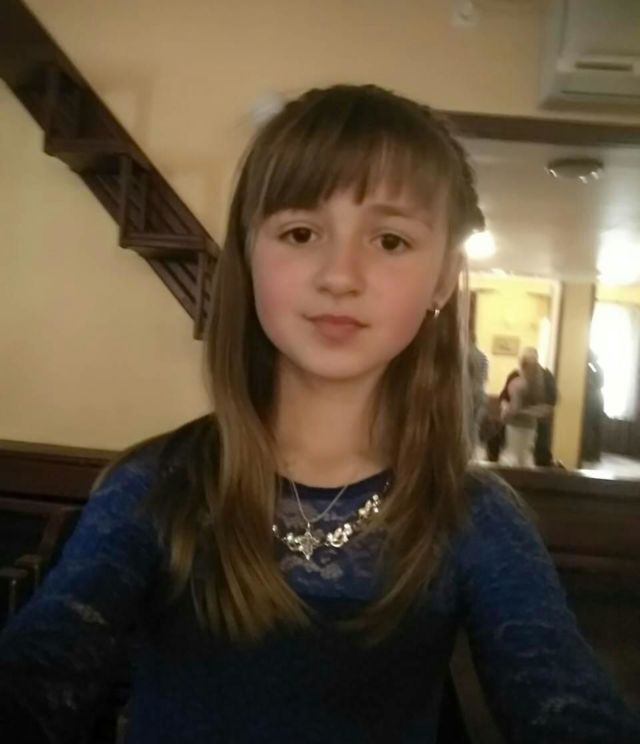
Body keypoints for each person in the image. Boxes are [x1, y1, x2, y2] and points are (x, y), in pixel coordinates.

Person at [0, 85, 638, 744]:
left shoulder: (475, 516)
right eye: (301, 233)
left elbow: (563, 700)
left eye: (390, 240)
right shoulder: (154, 486)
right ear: (249, 253)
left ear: (444, 277)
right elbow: (40, 672)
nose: (340, 275)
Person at [499, 347, 557, 467]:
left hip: (538, 425)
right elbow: (504, 397)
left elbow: (550, 405)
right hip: (514, 424)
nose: (525, 368)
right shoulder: (515, 375)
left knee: (536, 458)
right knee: (513, 456)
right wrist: (505, 407)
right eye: (524, 364)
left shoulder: (546, 377)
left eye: (529, 364)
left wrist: (525, 411)